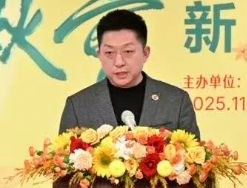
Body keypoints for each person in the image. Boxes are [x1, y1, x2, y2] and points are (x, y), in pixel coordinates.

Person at [59, 9, 200, 139]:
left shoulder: (176, 101)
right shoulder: (77, 106)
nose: (119, 62)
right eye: (109, 53)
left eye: (128, 51)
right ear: (99, 55)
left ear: (145, 53)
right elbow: (62, 156)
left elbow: (195, 153)